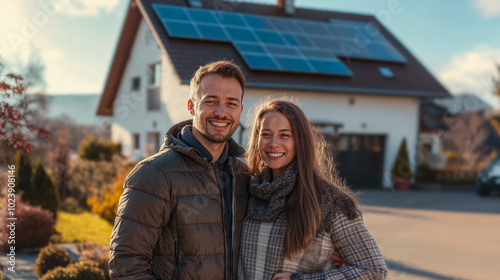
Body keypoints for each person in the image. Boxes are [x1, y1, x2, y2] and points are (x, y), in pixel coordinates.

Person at [108, 60, 250, 279]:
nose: (222, 113)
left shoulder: (243, 175)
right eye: (211, 101)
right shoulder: (154, 174)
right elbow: (127, 264)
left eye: (231, 103)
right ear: (192, 106)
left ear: (240, 110)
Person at [238, 98, 388, 280]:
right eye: (266, 134)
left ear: (300, 141)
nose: (273, 143)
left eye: (285, 135)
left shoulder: (330, 201)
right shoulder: (247, 188)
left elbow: (372, 269)